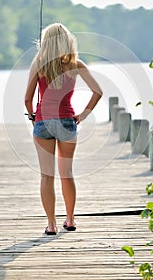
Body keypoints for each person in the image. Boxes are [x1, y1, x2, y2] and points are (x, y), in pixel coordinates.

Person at [25, 23, 102, 235]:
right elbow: (97, 91)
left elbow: (27, 98)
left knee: (46, 176)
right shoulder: (75, 64)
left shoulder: (38, 63)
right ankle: (70, 220)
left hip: (42, 122)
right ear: (67, 41)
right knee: (66, 174)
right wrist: (83, 115)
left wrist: (34, 117)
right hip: (68, 121)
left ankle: (51, 225)